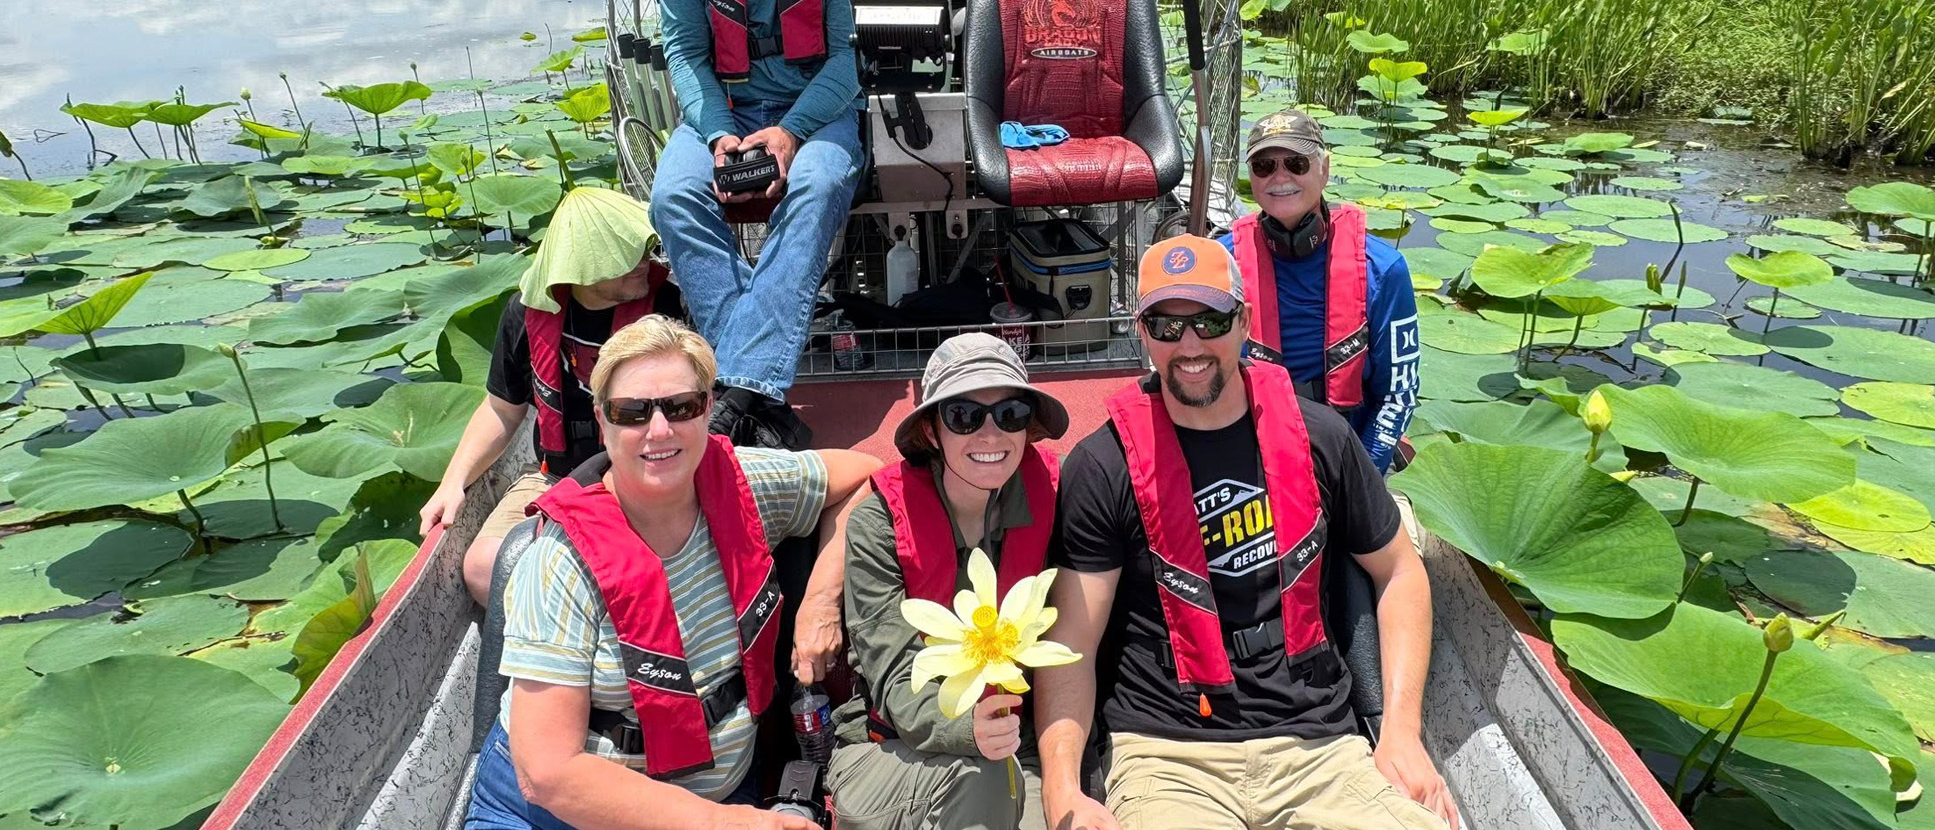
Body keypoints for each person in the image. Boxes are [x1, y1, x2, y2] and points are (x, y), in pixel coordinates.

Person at [1033, 235, 1460, 830]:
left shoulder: (1323, 438)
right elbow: (1072, 640)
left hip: (1320, 747)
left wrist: (1402, 733)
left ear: (1244, 322)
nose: (1189, 346)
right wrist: (1061, 790)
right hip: (1168, 753)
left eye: (1209, 321)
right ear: (1142, 332)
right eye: (1166, 325)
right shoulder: (1102, 465)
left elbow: (1398, 571)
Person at [464, 314, 884, 830]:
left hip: (719, 795)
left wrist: (820, 601)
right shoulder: (560, 560)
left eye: (680, 407)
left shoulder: (747, 484)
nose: (658, 430)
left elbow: (870, 477)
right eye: (632, 413)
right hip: (556, 814)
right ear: (602, 421)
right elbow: (548, 773)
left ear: (708, 409)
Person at [647, 0, 879, 449]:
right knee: (674, 197)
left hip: (816, 105)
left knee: (816, 184)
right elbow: (685, 52)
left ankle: (734, 395)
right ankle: (757, 392)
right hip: (724, 107)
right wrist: (719, 135)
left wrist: (791, 133)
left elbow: (850, 56)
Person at [825, 333, 1071, 830]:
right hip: (889, 749)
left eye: (1010, 415)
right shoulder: (878, 526)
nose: (990, 435)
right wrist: (965, 730)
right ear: (933, 431)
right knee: (982, 782)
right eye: (963, 416)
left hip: (1012, 747)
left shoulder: (1058, 496)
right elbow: (895, 675)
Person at [421, 186, 686, 606]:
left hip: (645, 472)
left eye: (646, 248)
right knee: (484, 567)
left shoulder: (668, 307)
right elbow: (502, 409)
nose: (646, 262)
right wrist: (453, 482)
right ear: (587, 266)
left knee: (640, 565)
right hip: (558, 475)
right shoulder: (527, 312)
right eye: (631, 255)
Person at [1216, 108, 1420, 472]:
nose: (1280, 178)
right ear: (1251, 176)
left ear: (1324, 168)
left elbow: (1397, 394)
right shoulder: (1221, 262)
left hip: (1347, 454)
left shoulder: (1384, 269)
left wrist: (1363, 481)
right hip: (1253, 452)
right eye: (1264, 166)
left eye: (1296, 163)